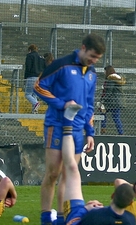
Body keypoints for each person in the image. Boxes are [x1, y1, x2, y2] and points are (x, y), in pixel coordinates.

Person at [35, 33, 105, 225]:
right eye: (92, 56)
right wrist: (61, 104)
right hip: (56, 125)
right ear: (83, 48)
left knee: (69, 173)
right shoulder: (62, 64)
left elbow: (89, 104)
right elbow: (39, 86)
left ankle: (61, 218)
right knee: (52, 173)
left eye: (97, 59)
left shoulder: (91, 73)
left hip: (78, 130)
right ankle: (45, 218)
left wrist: (90, 132)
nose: (93, 61)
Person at [60, 102, 136, 225]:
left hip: (78, 218)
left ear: (112, 195)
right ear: (130, 203)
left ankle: (68, 123)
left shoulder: (96, 216)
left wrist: (87, 208)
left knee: (72, 169)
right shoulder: (130, 220)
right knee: (72, 169)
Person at [100, 66, 125, 135]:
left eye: (105, 71)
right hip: (117, 102)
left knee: (103, 113)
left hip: (111, 102)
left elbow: (108, 92)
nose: (104, 73)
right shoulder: (117, 79)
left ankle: (103, 129)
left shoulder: (110, 80)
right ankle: (121, 133)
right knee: (116, 118)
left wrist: (103, 101)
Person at [24, 44, 45, 113]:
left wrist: (25, 78)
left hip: (31, 77)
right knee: (34, 94)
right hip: (39, 78)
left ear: (30, 50)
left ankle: (35, 103)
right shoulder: (40, 58)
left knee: (28, 94)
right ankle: (34, 110)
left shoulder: (30, 56)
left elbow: (28, 68)